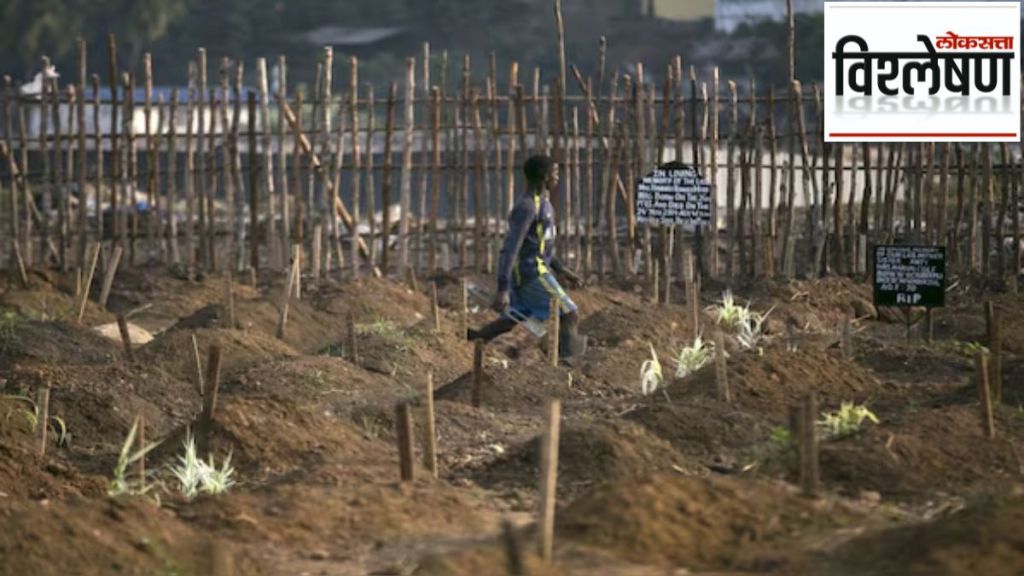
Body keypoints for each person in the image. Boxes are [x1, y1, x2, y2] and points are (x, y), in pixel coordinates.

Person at [467, 154, 587, 358]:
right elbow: (511, 248)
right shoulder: (527, 207)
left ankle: (474, 338)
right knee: (569, 313)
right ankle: (568, 365)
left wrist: (562, 269)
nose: (557, 178)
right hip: (532, 272)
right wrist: (503, 287)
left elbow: (541, 247)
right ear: (544, 176)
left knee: (512, 317)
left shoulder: (545, 205)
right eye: (555, 173)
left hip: (536, 269)